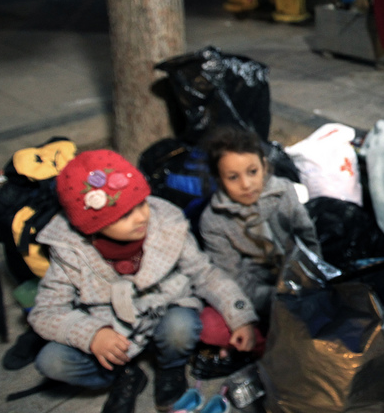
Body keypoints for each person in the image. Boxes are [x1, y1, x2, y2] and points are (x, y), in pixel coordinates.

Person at [29, 149, 258, 413]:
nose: (141, 216)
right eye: (124, 215)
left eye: (142, 203)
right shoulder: (69, 250)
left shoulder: (167, 224)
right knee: (52, 362)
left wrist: (241, 315)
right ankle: (124, 375)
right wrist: (92, 335)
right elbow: (45, 312)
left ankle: (170, 369)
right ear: (91, 226)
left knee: (181, 326)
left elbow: (205, 274)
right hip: (111, 331)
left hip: (163, 316)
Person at [200, 125, 322, 330]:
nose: (246, 184)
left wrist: (312, 281)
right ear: (219, 180)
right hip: (256, 294)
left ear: (264, 167)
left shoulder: (284, 192)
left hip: (301, 279)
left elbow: (308, 239)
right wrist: (278, 298)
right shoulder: (213, 220)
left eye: (252, 172)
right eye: (233, 177)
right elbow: (232, 277)